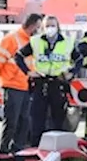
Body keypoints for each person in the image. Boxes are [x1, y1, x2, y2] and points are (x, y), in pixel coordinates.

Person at [18, 15, 73, 144]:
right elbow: (18, 56)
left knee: (58, 120)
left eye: (53, 25)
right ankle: (36, 149)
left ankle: (58, 150)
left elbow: (79, 58)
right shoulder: (36, 41)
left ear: (58, 27)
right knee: (37, 120)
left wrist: (72, 73)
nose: (50, 28)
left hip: (58, 83)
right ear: (42, 28)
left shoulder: (67, 42)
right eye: (47, 26)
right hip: (40, 84)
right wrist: (28, 72)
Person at [0, 14, 42, 152]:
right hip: (13, 84)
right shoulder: (12, 39)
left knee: (24, 121)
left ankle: (17, 150)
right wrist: (1, 79)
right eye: (37, 27)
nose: (38, 29)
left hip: (25, 85)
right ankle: (3, 151)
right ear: (31, 26)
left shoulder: (31, 41)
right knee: (11, 122)